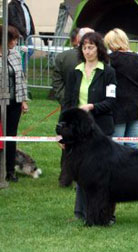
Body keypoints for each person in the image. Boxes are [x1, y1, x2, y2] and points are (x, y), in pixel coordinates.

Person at [63, 32, 117, 221]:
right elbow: (68, 103)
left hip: (102, 129)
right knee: (82, 173)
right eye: (84, 47)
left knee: (104, 175)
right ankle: (81, 212)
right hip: (79, 133)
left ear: (99, 49)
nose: (87, 51)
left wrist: (91, 107)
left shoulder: (108, 72)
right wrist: (63, 132)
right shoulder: (75, 71)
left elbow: (111, 102)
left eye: (91, 47)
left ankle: (107, 214)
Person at [52, 27, 94, 187]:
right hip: (78, 107)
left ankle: (66, 177)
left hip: (71, 106)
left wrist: (65, 101)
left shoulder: (62, 57)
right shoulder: (66, 58)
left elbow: (56, 83)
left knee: (67, 142)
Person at [104, 28, 138, 149]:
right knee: (132, 143)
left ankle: (118, 168)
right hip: (136, 104)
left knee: (117, 144)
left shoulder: (109, 60)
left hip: (119, 106)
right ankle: (134, 168)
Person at [0, 25, 30, 182]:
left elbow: (21, 78)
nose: (16, 42)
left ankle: (10, 170)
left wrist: (23, 100)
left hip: (14, 103)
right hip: (0, 102)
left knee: (11, 137)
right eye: (13, 39)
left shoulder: (15, 54)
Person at [8, 0, 36, 70]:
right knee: (20, 54)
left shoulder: (24, 5)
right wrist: (23, 30)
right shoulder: (12, 5)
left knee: (29, 51)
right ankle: (18, 71)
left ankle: (21, 71)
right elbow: (13, 20)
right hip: (19, 35)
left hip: (27, 35)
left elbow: (29, 18)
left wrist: (32, 30)